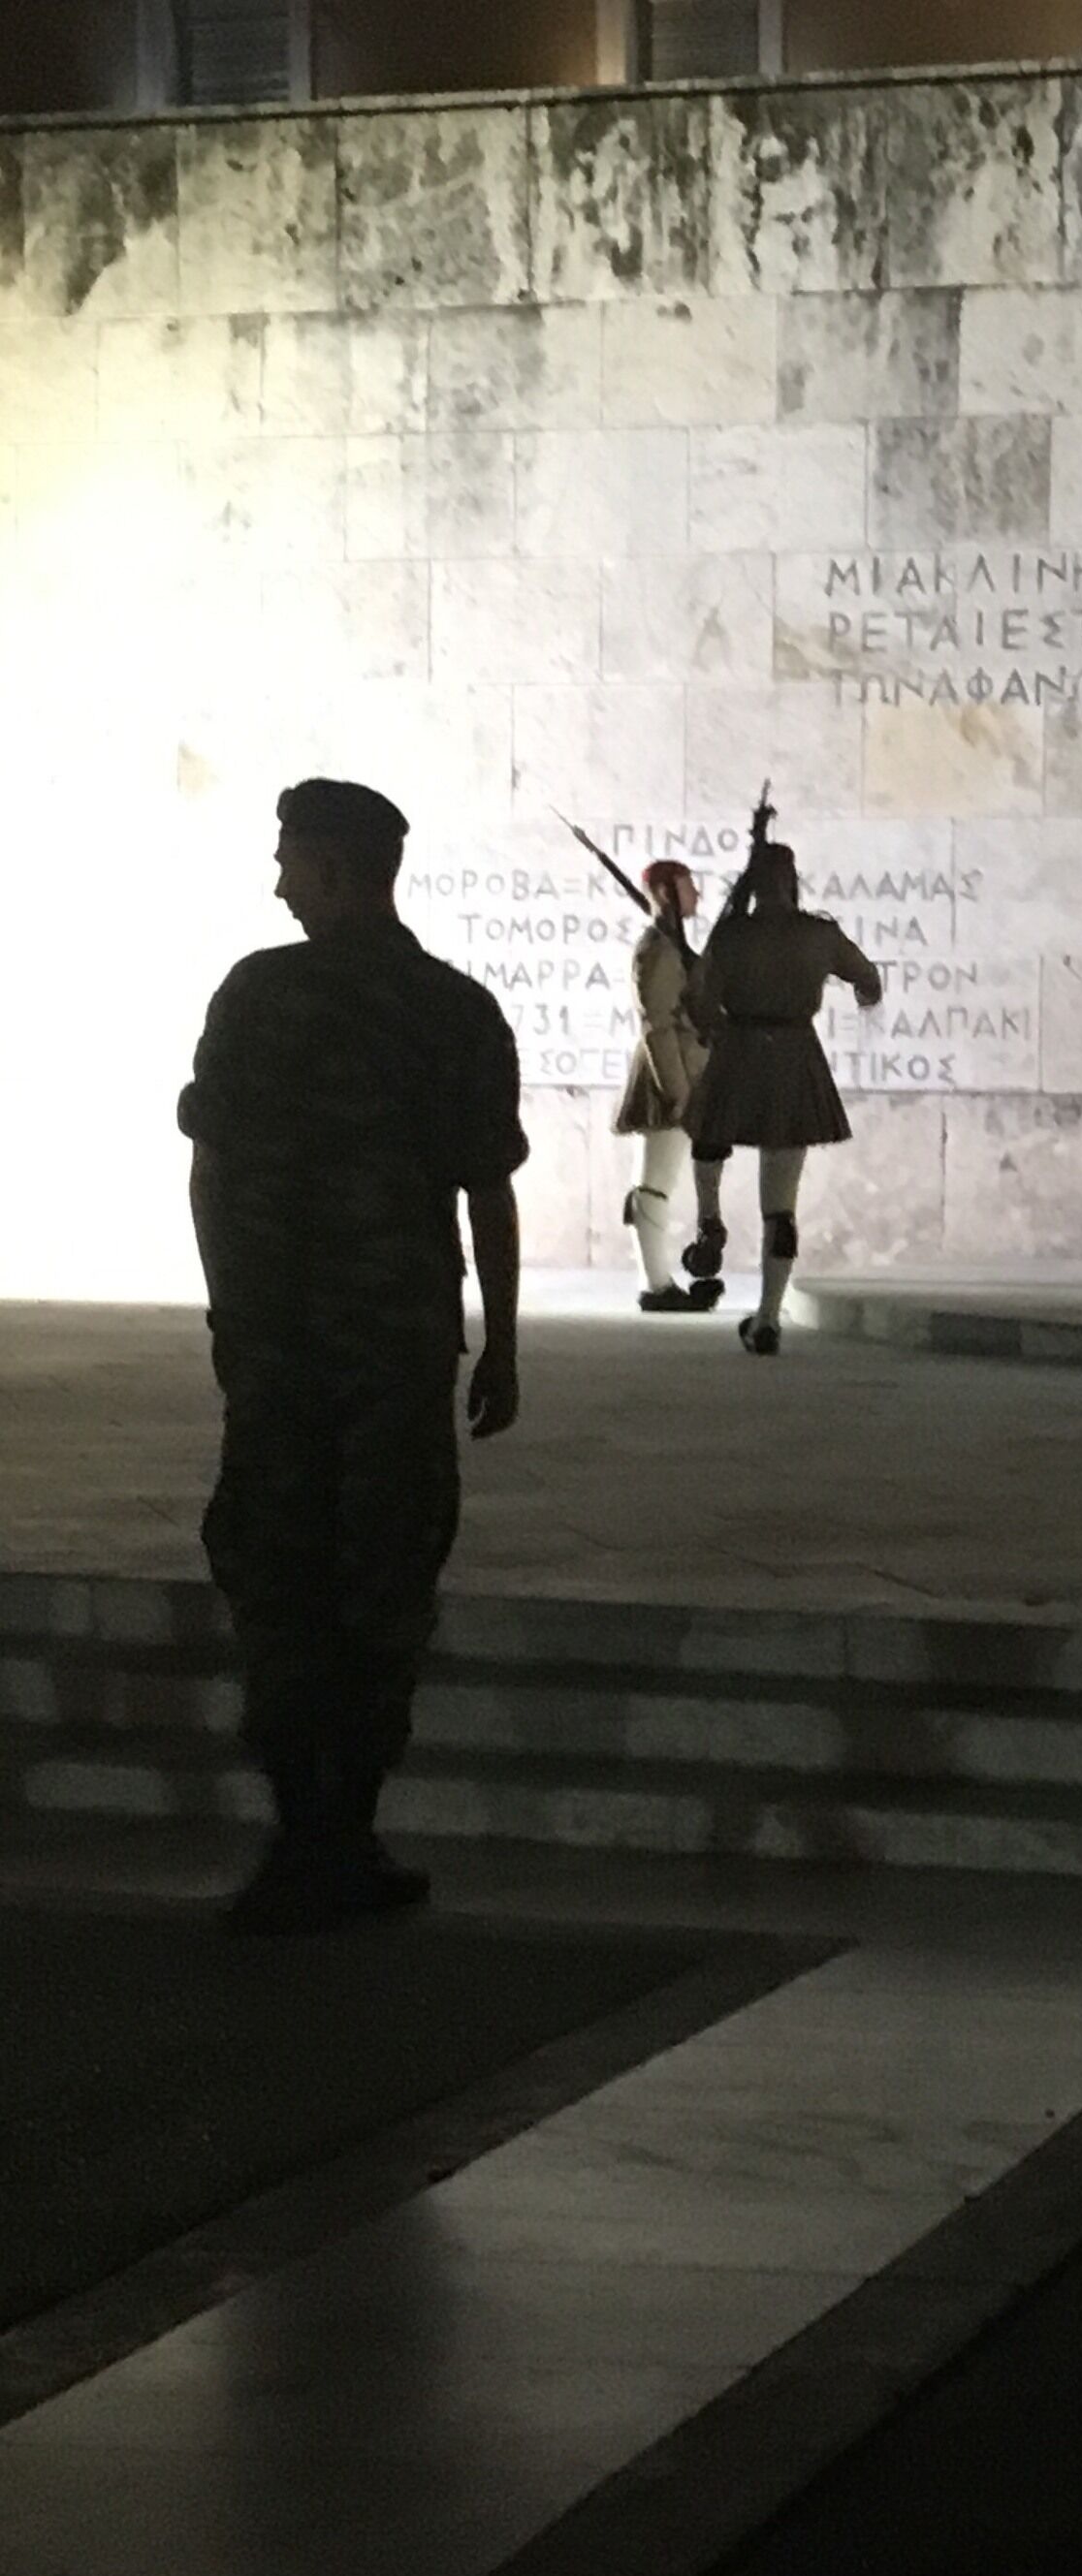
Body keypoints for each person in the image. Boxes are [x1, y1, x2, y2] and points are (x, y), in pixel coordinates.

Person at [180, 779, 525, 1934]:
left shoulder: (257, 997)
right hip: (395, 1343)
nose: (278, 881)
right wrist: (503, 1344)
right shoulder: (454, 1011)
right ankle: (347, 1831)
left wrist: (232, 1312)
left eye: (291, 860)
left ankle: (301, 1835)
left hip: (278, 1344)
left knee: (281, 1578)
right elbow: (487, 1193)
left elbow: (211, 1170)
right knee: (380, 1582)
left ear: (334, 869)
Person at [682, 809, 884, 1357]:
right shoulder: (819, 933)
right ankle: (769, 1316)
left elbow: (697, 1002)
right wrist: (866, 1000)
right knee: (781, 1204)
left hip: (739, 1048)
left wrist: (714, 1025)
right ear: (792, 882)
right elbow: (868, 978)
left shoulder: (731, 935)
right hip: (794, 1055)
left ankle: (709, 1219)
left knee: (707, 1136)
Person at [614, 856, 721, 1314]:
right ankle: (655, 1285)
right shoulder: (658, 949)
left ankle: (657, 1283)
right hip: (668, 1075)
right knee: (653, 1185)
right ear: (664, 894)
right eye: (687, 886)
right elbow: (657, 1026)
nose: (696, 895)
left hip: (681, 1070)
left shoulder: (670, 946)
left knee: (656, 1183)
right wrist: (679, 1093)